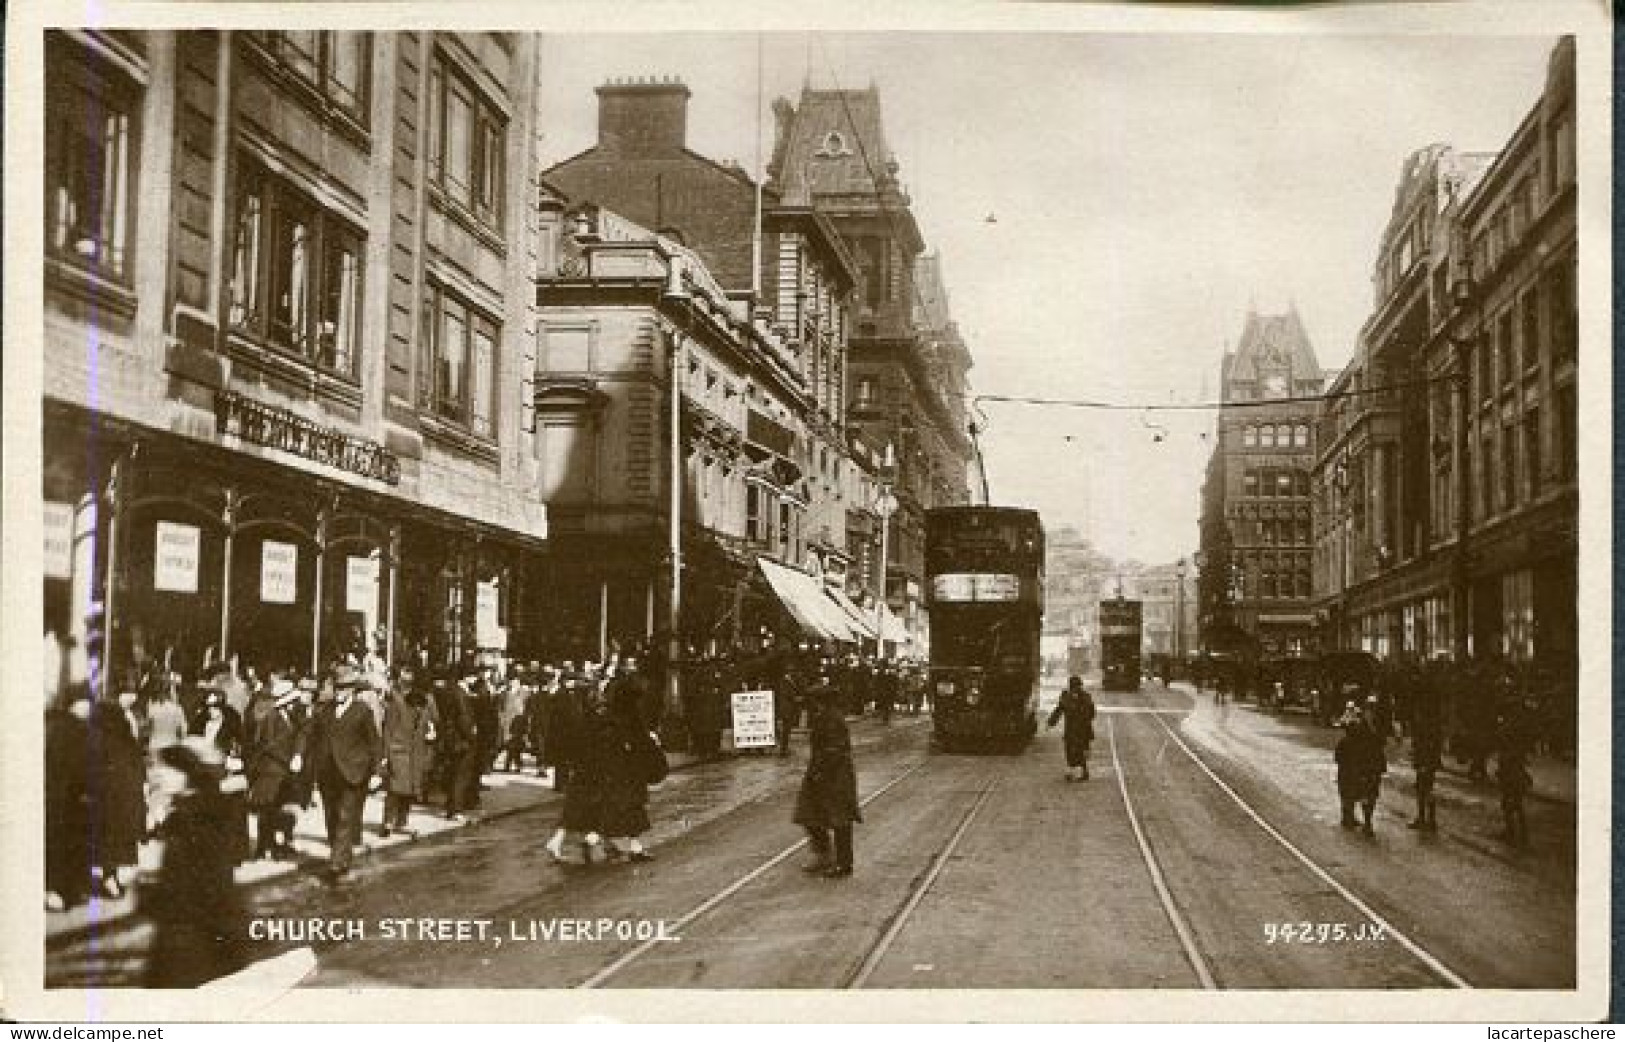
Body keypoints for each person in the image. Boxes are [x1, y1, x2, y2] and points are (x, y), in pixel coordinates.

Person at [142, 738, 252, 987]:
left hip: (195, 934)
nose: (158, 774)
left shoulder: (198, 818)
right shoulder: (188, 812)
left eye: (168, 769)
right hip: (189, 930)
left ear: (186, 774)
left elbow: (211, 881)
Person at [306, 666, 381, 881]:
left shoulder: (362, 710)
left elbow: (374, 742)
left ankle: (336, 864)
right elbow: (310, 736)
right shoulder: (324, 711)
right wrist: (300, 756)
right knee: (331, 816)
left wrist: (376, 772)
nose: (339, 692)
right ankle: (341, 856)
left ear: (352, 690)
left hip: (353, 772)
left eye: (344, 688)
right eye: (337, 688)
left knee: (345, 816)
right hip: (328, 774)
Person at [793, 666, 861, 878]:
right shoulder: (825, 717)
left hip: (835, 775)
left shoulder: (831, 719)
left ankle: (842, 863)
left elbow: (834, 750)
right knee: (809, 814)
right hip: (824, 773)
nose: (810, 707)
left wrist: (820, 772)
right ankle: (824, 854)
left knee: (839, 819)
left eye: (812, 702)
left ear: (820, 702)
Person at [243, 675, 306, 860]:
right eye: (293, 701)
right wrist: (290, 760)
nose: (296, 704)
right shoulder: (272, 718)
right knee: (267, 811)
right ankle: (265, 848)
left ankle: (271, 846)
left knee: (273, 810)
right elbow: (269, 745)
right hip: (270, 770)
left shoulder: (287, 717)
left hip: (279, 770)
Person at [381, 666, 438, 838]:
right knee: (394, 790)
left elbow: (431, 726)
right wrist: (385, 755)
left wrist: (431, 733)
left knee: (410, 790)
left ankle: (401, 821)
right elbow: (388, 732)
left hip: (415, 756)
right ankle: (387, 822)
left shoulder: (424, 706)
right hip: (399, 754)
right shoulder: (396, 705)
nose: (420, 711)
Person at [1335, 702, 1386, 834]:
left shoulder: (1379, 725)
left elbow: (1382, 742)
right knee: (1364, 792)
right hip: (1365, 763)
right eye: (1369, 711)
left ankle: (1363, 820)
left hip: (1372, 763)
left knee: (1370, 793)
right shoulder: (1360, 726)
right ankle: (1361, 820)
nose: (1370, 714)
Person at [1046, 676, 1098, 781]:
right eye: (1073, 687)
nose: (1075, 689)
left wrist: (1085, 719)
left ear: (1080, 687)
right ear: (1070, 687)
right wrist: (1051, 723)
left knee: (1081, 751)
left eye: (1077, 687)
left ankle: (1083, 772)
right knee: (1069, 750)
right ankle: (1072, 771)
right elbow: (1058, 711)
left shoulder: (1086, 697)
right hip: (1070, 729)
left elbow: (1092, 713)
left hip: (1083, 729)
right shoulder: (1066, 697)